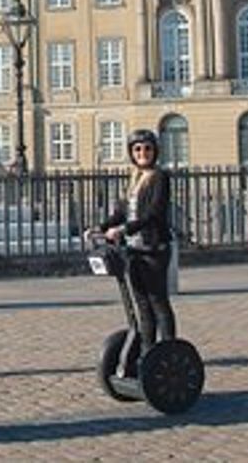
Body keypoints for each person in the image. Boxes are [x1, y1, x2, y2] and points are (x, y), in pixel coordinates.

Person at [88, 129, 176, 366]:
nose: (142, 153)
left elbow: (153, 213)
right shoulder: (134, 178)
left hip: (154, 248)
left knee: (158, 301)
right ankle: (147, 353)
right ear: (132, 153)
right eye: (137, 149)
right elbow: (121, 211)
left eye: (147, 148)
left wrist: (124, 230)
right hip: (135, 250)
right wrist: (101, 227)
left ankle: (169, 351)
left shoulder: (160, 177)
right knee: (141, 304)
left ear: (154, 151)